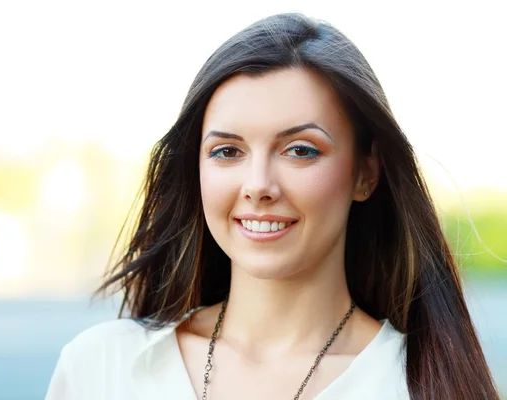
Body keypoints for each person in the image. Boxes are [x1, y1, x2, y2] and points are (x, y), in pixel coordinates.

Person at [45, 13, 500, 400]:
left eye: (300, 150)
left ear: (366, 173)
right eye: (227, 151)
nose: (258, 185)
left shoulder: (422, 385)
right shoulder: (101, 369)